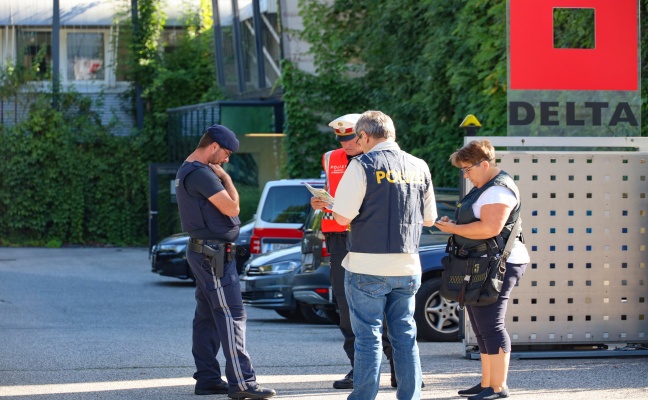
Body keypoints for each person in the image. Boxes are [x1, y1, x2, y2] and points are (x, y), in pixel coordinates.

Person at [332, 110, 437, 400]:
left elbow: (341, 217)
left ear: (364, 136)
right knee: (405, 336)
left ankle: (364, 396)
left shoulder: (362, 165)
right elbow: (429, 219)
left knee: (368, 337)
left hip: (367, 264)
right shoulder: (419, 166)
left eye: (358, 138)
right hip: (408, 265)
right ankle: (410, 395)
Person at [175, 124, 275, 399]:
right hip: (213, 254)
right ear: (213, 147)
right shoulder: (200, 174)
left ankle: (207, 379)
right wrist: (227, 180)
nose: (227, 159)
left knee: (207, 316)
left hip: (206, 251)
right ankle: (243, 384)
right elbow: (233, 208)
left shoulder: (192, 170)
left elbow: (233, 206)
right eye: (226, 153)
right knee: (233, 315)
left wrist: (226, 179)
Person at [434, 139, 529, 400]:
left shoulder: (497, 190)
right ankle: (487, 382)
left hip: (499, 264)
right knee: (481, 325)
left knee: (492, 324)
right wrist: (454, 224)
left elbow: (490, 229)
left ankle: (498, 387)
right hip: (485, 262)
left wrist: (453, 228)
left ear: (484, 164)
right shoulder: (487, 186)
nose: (465, 174)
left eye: (467, 169)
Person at [310, 114, 395, 390]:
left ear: (363, 135)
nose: (346, 144)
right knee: (345, 307)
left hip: (368, 238)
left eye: (351, 138)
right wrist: (319, 201)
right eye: (342, 139)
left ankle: (398, 367)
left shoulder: (381, 159)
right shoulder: (329, 158)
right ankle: (357, 369)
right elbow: (331, 190)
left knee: (382, 306)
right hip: (337, 239)